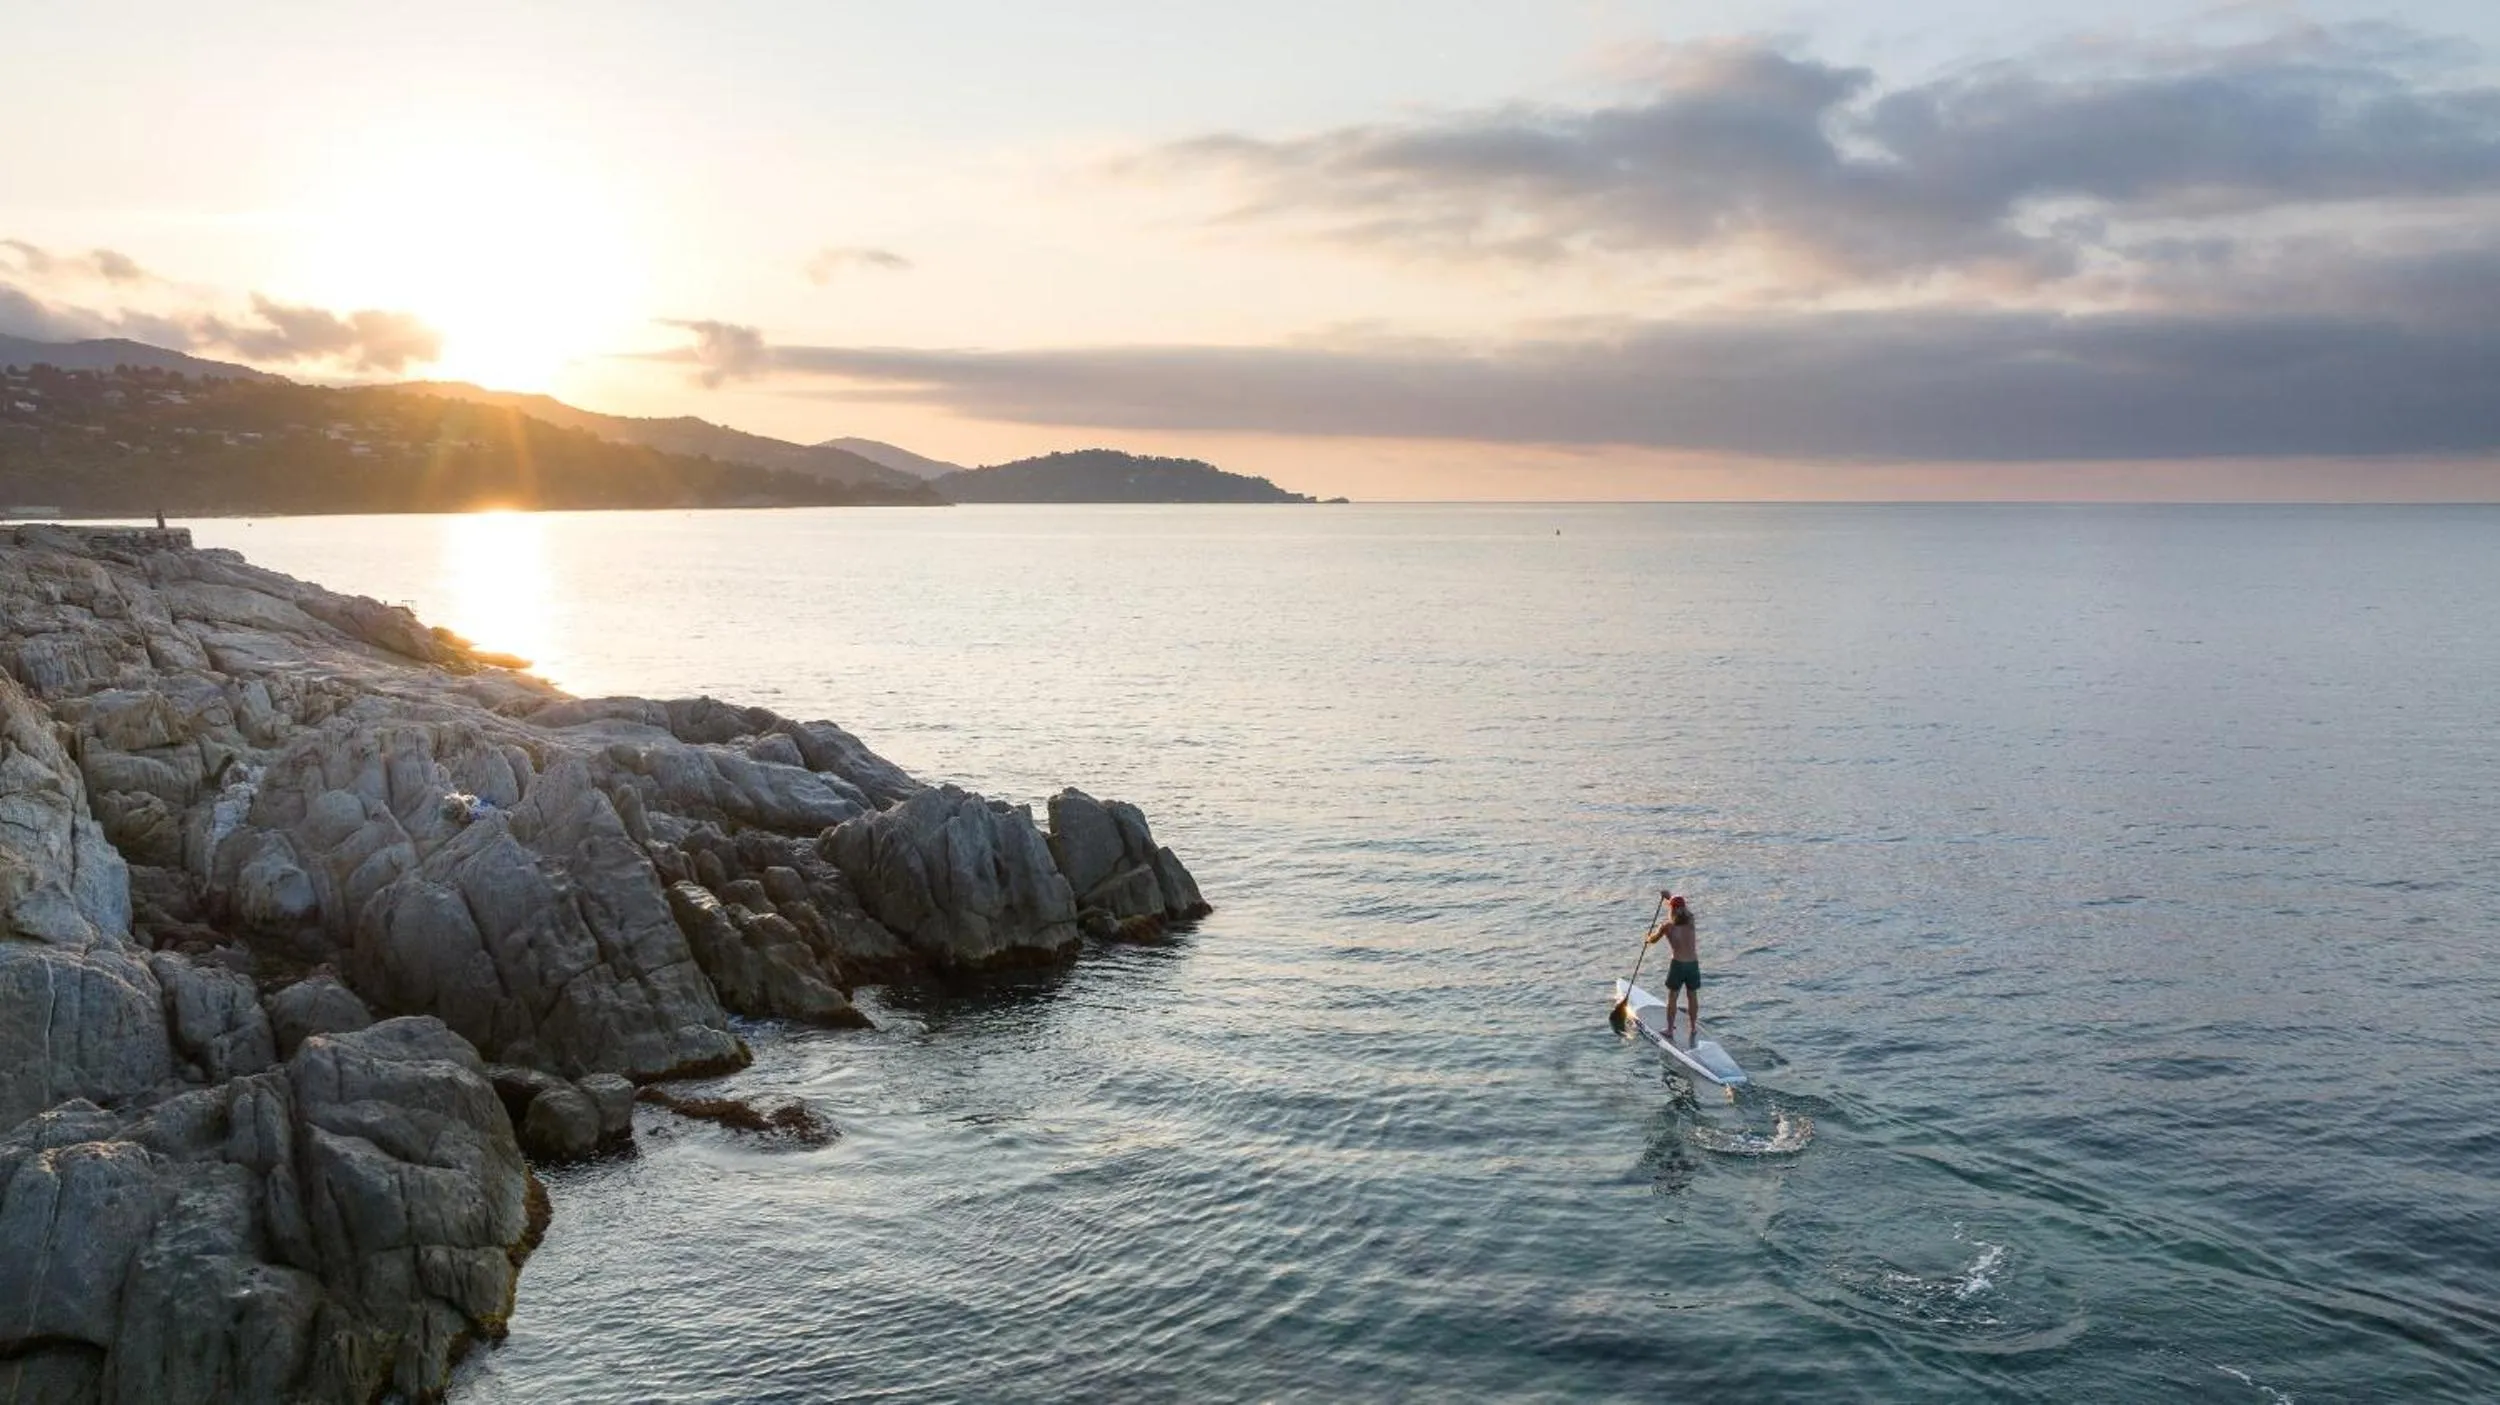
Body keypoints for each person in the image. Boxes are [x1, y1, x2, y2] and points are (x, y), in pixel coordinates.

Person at [1646, 893, 1700, 1043]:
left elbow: (1652, 940)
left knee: (1673, 997)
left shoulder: (1667, 927)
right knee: (1692, 996)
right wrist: (1669, 897)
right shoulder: (1691, 920)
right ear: (1684, 907)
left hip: (1678, 965)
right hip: (1693, 965)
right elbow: (1680, 907)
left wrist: (1647, 937)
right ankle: (1693, 1027)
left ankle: (1670, 1029)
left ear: (1671, 910)